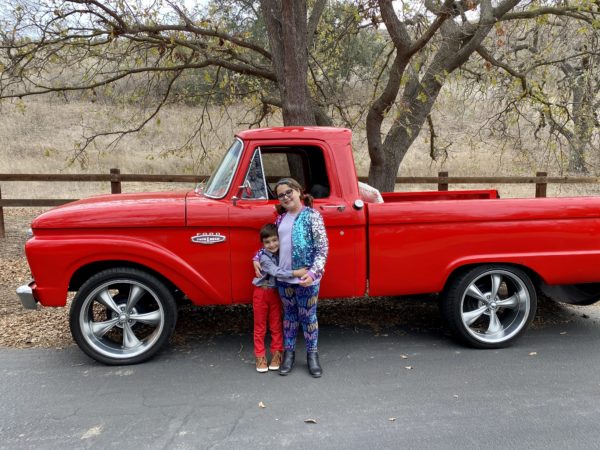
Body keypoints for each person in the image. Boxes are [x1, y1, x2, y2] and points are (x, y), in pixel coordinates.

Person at [254, 178, 329, 378]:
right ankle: (289, 354)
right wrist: (256, 258)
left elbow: (322, 249)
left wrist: (313, 273)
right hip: (284, 280)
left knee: (308, 317)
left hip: (307, 280)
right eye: (281, 195)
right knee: (289, 318)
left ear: (298, 191)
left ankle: (312, 355)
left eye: (289, 192)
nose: (286, 197)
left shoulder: (312, 216)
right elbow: (269, 247)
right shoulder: (280, 220)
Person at [252, 223, 308, 373]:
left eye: (274, 240)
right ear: (263, 244)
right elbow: (276, 272)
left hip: (276, 292)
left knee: (276, 325)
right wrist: (296, 273)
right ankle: (260, 356)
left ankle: (277, 353)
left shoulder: (282, 252)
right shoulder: (263, 257)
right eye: (267, 242)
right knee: (260, 327)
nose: (272, 244)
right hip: (261, 292)